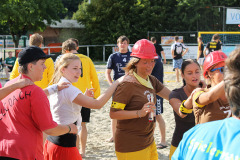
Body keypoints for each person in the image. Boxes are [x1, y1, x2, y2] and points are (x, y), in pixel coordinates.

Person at [0, 46, 78, 160]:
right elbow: (50, 129)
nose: (45, 67)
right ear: (31, 67)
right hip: (26, 154)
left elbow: (23, 98)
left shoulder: (9, 86)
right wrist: (70, 128)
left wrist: (54, 88)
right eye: (42, 64)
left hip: (4, 150)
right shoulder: (35, 92)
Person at [44, 53, 125, 160]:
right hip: (63, 145)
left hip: (54, 142)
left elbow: (66, 108)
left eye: (80, 68)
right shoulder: (68, 89)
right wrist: (116, 83)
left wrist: (84, 97)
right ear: (63, 69)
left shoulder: (59, 85)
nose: (79, 72)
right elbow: (97, 104)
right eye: (75, 68)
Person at [172, 48, 240, 160]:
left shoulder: (234, 94)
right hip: (206, 148)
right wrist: (233, 77)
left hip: (229, 148)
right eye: (223, 69)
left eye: (229, 69)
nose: (227, 73)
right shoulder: (200, 92)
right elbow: (210, 97)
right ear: (209, 74)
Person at [110, 39, 171, 160]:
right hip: (131, 145)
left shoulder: (151, 79)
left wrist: (195, 92)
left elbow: (171, 96)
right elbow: (113, 113)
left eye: (152, 61)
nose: (150, 65)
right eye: (145, 62)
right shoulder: (127, 84)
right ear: (135, 62)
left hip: (149, 141)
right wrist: (139, 113)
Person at [60, 38, 101, 157]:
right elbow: (95, 78)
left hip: (70, 96)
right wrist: (95, 96)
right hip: (85, 96)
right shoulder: (87, 59)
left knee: (72, 125)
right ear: (75, 47)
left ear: (66, 51)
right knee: (82, 125)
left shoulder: (65, 60)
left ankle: (75, 150)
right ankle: (82, 151)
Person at [168, 59, 204, 159]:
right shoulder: (176, 94)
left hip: (202, 146)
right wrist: (194, 96)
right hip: (180, 145)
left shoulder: (207, 91)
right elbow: (182, 113)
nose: (194, 76)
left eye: (197, 72)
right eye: (189, 73)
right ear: (182, 75)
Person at [105, 35, 131, 142]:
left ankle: (129, 134)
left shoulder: (133, 56)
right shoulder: (113, 56)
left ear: (128, 44)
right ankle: (114, 136)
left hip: (130, 87)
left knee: (130, 111)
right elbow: (107, 72)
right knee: (115, 112)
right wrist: (111, 84)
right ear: (118, 44)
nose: (123, 45)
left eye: (125, 43)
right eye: (121, 43)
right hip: (118, 88)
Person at [150, 37, 167, 149]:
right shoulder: (155, 58)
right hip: (151, 91)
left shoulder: (155, 60)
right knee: (152, 116)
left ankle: (163, 141)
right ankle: (152, 140)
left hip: (157, 91)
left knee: (157, 116)